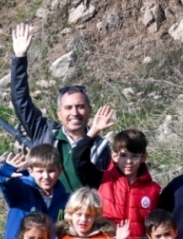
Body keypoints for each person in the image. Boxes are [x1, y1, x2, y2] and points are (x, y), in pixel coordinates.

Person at [9, 22, 109, 195]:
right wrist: (19, 57)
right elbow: (20, 101)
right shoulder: (45, 133)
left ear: (89, 110)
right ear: (59, 113)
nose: (74, 113)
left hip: (84, 217)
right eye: (68, 108)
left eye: (80, 107)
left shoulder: (100, 147)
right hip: (48, 214)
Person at [0, 145, 68, 239]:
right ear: (30, 171)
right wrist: (5, 173)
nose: (46, 176)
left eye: (51, 171)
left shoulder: (64, 199)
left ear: (59, 171)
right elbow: (8, 185)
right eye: (40, 171)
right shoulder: (22, 191)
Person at [95, 130, 158, 235]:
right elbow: (79, 163)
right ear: (114, 156)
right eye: (123, 155)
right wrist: (93, 132)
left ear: (143, 157)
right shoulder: (103, 180)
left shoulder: (153, 190)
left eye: (134, 156)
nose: (129, 161)